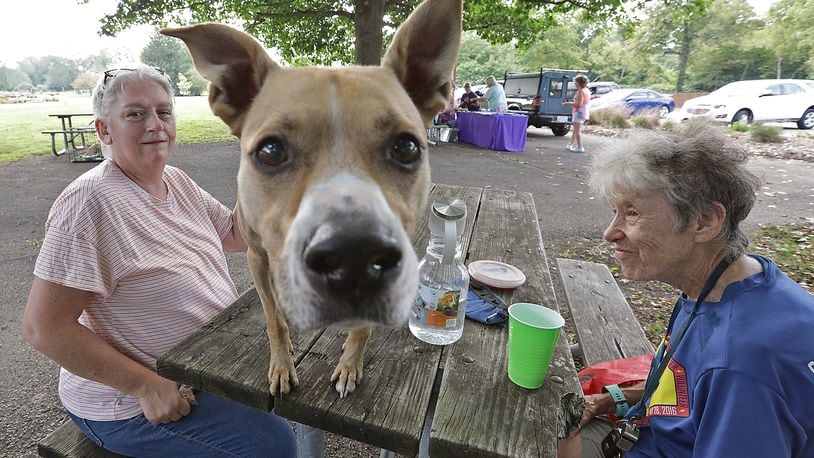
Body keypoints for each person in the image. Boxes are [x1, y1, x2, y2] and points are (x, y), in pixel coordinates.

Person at [21, 66, 297, 457]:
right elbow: (43, 328)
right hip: (134, 402)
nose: (155, 125)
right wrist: (145, 386)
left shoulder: (176, 181)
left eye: (163, 112)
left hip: (203, 365)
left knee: (293, 393)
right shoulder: (89, 203)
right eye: (136, 114)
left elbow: (235, 235)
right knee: (272, 445)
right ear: (104, 131)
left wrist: (262, 174)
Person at [562, 122, 814, 457]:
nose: (610, 233)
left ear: (705, 221)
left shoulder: (741, 362)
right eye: (615, 212)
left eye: (633, 213)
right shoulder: (729, 284)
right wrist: (613, 399)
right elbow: (688, 395)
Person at [562, 74, 590, 153]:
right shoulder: (586, 90)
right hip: (583, 112)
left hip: (578, 112)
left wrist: (568, 103)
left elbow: (579, 104)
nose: (575, 83)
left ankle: (580, 146)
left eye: (576, 82)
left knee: (577, 130)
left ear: (579, 83)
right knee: (575, 130)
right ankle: (571, 144)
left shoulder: (580, 91)